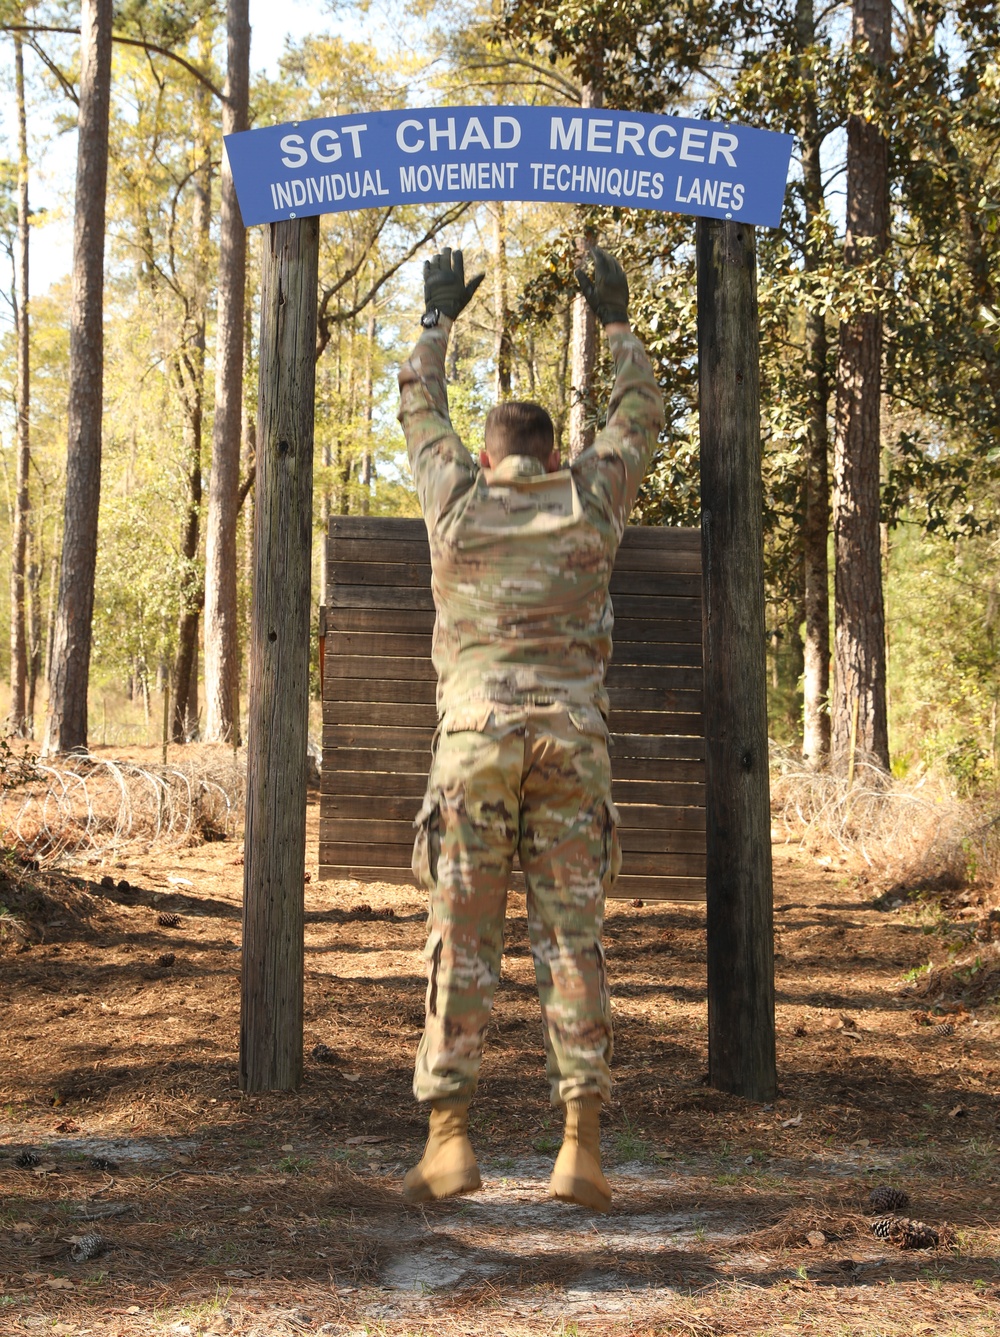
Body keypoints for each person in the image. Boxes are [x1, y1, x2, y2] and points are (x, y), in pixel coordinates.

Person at [397, 245, 664, 1211]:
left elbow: (416, 405)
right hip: (571, 746)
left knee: (461, 937)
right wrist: (618, 321)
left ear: (485, 454)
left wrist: (436, 324)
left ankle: (450, 1143)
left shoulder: (456, 502)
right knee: (570, 942)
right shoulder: (589, 497)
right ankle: (579, 1151)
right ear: (555, 456)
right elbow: (640, 414)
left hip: (473, 747)